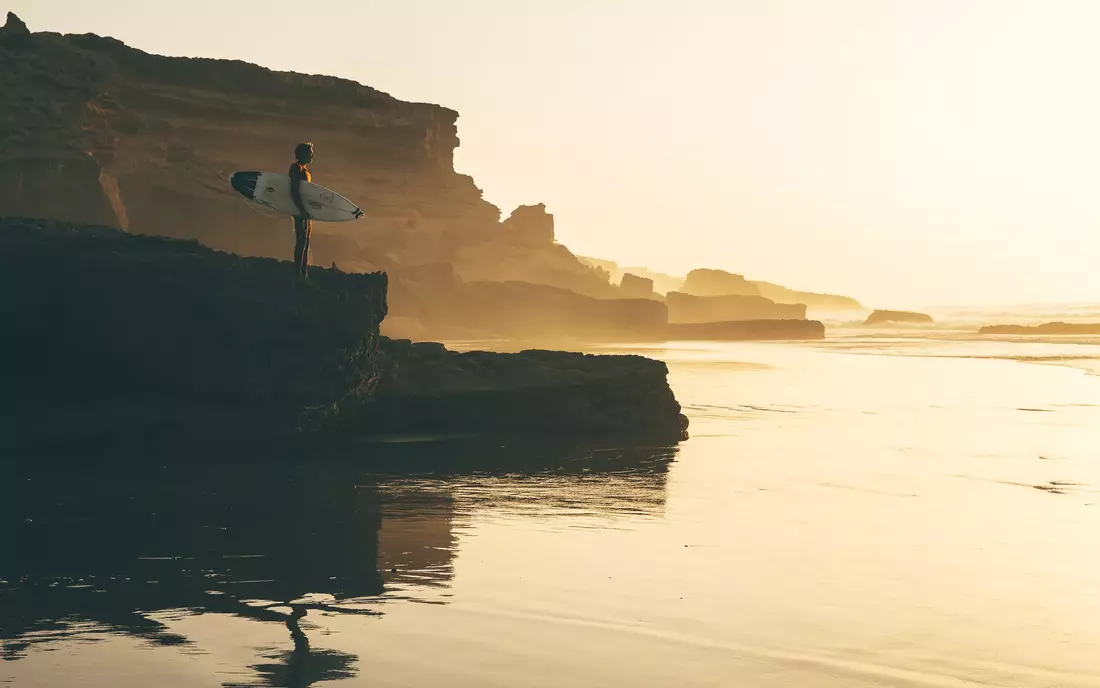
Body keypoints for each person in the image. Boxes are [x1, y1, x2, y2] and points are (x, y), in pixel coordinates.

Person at [289, 142, 314, 276]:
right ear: (303, 154)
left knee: (306, 241)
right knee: (301, 241)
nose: (312, 156)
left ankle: (303, 272)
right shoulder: (296, 168)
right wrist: (301, 209)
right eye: (310, 153)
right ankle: (298, 273)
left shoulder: (305, 170)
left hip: (306, 211)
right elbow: (294, 191)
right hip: (300, 210)